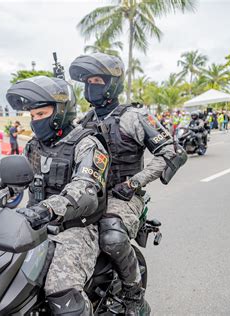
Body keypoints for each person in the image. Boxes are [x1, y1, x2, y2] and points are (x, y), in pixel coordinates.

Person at [0, 76, 108, 315]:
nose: (35, 121)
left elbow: (86, 188)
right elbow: (11, 183)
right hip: (32, 224)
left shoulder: (87, 143)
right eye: (33, 116)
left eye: (41, 114)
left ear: (61, 111)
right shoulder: (34, 146)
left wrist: (48, 209)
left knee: (60, 291)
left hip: (74, 229)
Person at [70, 52, 187, 315]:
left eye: (98, 80)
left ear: (112, 84)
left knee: (111, 236)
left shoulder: (133, 116)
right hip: (88, 193)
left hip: (122, 196)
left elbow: (172, 153)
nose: (91, 86)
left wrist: (133, 183)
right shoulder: (83, 121)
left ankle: (134, 296)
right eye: (87, 81)